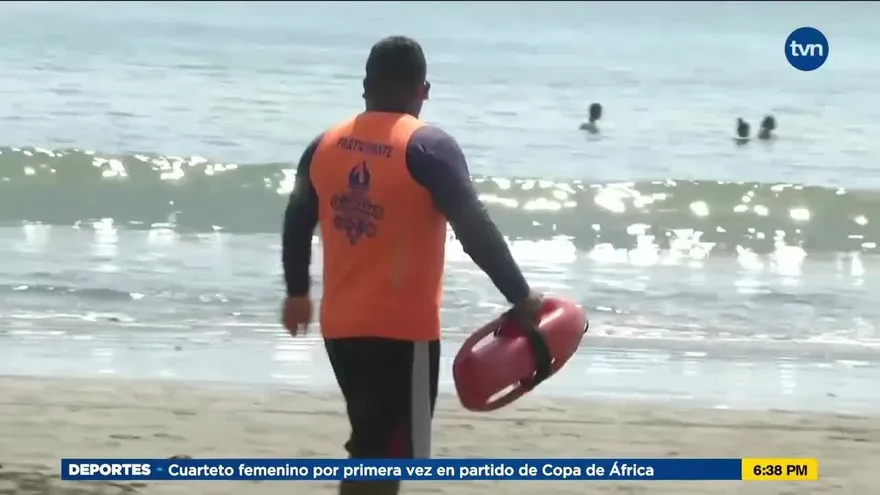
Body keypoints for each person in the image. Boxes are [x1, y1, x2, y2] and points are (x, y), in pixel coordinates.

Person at [281, 35, 543, 495]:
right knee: (390, 452)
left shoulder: (323, 146)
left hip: (341, 325)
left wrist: (298, 293)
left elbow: (297, 221)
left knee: (370, 439)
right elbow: (474, 227)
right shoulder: (427, 148)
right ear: (423, 90)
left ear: (365, 87)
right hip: (403, 330)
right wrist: (520, 295)